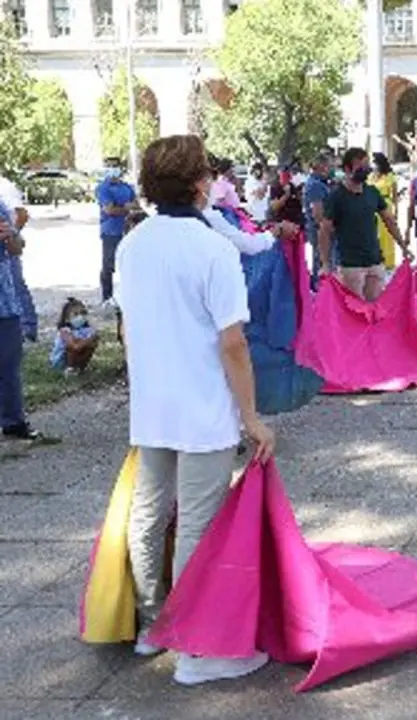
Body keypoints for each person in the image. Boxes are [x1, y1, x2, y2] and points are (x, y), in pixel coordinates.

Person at [117, 134, 276, 684]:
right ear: (199, 183)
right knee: (199, 526)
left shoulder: (133, 243)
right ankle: (195, 650)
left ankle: (149, 627)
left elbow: (127, 326)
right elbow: (232, 343)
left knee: (149, 513)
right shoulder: (212, 248)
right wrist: (252, 417)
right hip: (202, 406)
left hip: (152, 403)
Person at [318, 147, 413, 301]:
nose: (366, 169)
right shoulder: (336, 196)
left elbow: (389, 220)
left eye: (367, 165)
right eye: (360, 166)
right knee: (354, 311)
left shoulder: (372, 192)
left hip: (375, 261)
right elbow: (325, 230)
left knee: (374, 309)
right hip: (351, 264)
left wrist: (403, 246)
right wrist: (325, 263)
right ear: (348, 169)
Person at [0, 197, 44, 441]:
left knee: (9, 362)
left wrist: (11, 236)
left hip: (5, 299)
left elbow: (17, 248)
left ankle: (13, 423)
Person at [95, 157, 139, 308]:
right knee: (108, 265)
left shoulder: (127, 187)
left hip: (128, 231)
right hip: (110, 231)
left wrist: (124, 207)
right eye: (109, 167)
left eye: (115, 166)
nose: (112, 169)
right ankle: (106, 297)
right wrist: (127, 207)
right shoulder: (103, 188)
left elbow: (137, 205)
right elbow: (109, 209)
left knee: (129, 264)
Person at [0, 174, 37, 340]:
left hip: (6, 309)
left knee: (18, 287)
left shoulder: (3, 189)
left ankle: (28, 328)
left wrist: (12, 234)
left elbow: (18, 245)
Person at [302, 152, 335, 287]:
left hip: (321, 230)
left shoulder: (319, 183)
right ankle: (320, 293)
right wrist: (330, 229)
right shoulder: (315, 185)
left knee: (322, 261)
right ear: (322, 166)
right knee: (323, 263)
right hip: (321, 232)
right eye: (329, 166)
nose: (331, 169)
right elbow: (318, 214)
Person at [50, 297, 99, 376]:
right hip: (61, 359)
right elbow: (74, 346)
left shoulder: (87, 330)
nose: (80, 317)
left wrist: (85, 342)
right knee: (71, 348)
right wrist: (88, 340)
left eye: (83, 313)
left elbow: (94, 340)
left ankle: (80, 367)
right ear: (67, 319)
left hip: (79, 352)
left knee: (89, 347)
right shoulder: (65, 331)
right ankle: (70, 368)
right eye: (76, 314)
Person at [370, 152, 400, 271]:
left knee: (387, 233)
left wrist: (396, 211)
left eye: (375, 163)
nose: (373, 165)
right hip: (372, 206)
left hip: (386, 203)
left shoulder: (390, 176)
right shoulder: (370, 176)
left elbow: (395, 196)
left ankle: (388, 261)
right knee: (374, 234)